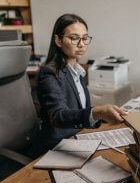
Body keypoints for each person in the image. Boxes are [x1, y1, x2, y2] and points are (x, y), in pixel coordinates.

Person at [29, 14, 127, 158]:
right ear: (58, 40)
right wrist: (97, 112)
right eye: (74, 38)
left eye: (85, 38)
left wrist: (102, 117)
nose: (82, 44)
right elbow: (58, 116)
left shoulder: (77, 69)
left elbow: (78, 112)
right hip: (54, 146)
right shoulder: (49, 73)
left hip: (76, 139)